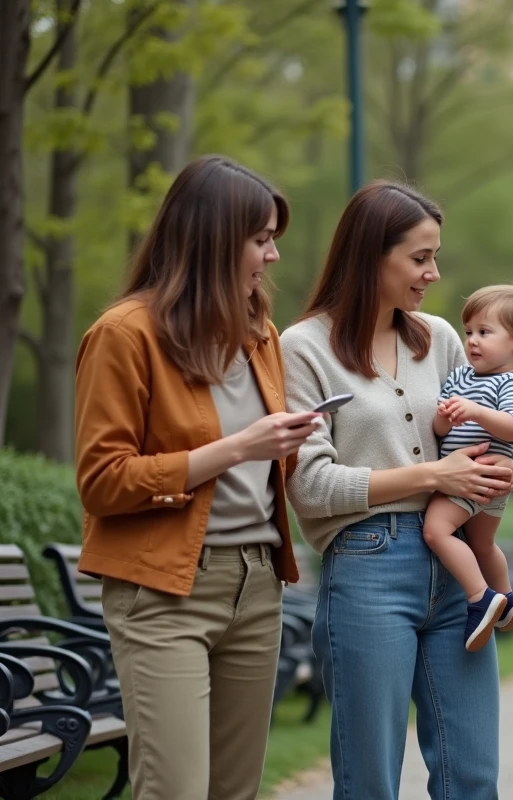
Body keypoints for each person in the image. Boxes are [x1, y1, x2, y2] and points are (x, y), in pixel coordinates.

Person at [74, 155, 319, 800]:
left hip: (257, 584)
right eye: (260, 239)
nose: (271, 256)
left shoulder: (258, 335)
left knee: (232, 791)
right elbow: (101, 481)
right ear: (213, 241)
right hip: (164, 592)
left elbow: (267, 464)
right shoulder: (124, 336)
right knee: (175, 790)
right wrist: (234, 448)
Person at [281, 180, 513, 799]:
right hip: (367, 568)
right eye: (420, 258)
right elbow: (308, 485)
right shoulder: (303, 348)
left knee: (471, 775)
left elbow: (499, 431)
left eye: (434, 256)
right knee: (369, 779)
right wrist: (431, 477)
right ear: (372, 255)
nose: (433, 273)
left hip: (459, 571)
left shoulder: (442, 337)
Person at [423, 284, 513, 650]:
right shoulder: (462, 378)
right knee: (481, 543)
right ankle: (507, 599)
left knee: (436, 531)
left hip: (472, 480)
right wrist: (445, 418)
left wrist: (474, 411)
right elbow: (439, 428)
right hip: (478, 482)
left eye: (484, 333)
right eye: (469, 332)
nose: (472, 341)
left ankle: (480, 597)